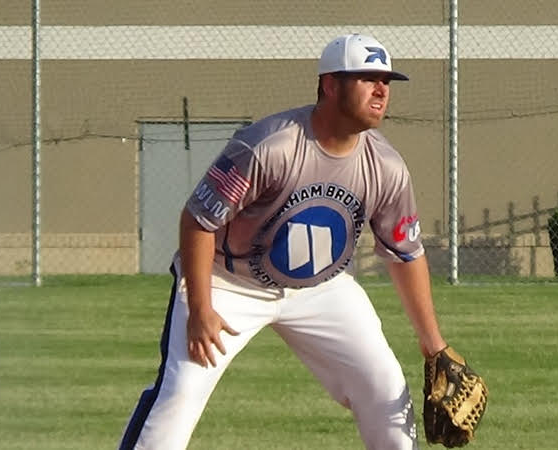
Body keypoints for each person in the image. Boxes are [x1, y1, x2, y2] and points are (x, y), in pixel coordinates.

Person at [119, 33, 449, 450]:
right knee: (180, 393)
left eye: (386, 81)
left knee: (385, 390)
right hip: (229, 282)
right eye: (367, 79)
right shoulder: (269, 146)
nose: (382, 90)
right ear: (330, 85)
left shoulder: (386, 167)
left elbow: (405, 254)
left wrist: (433, 344)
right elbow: (198, 221)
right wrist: (201, 308)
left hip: (322, 288)